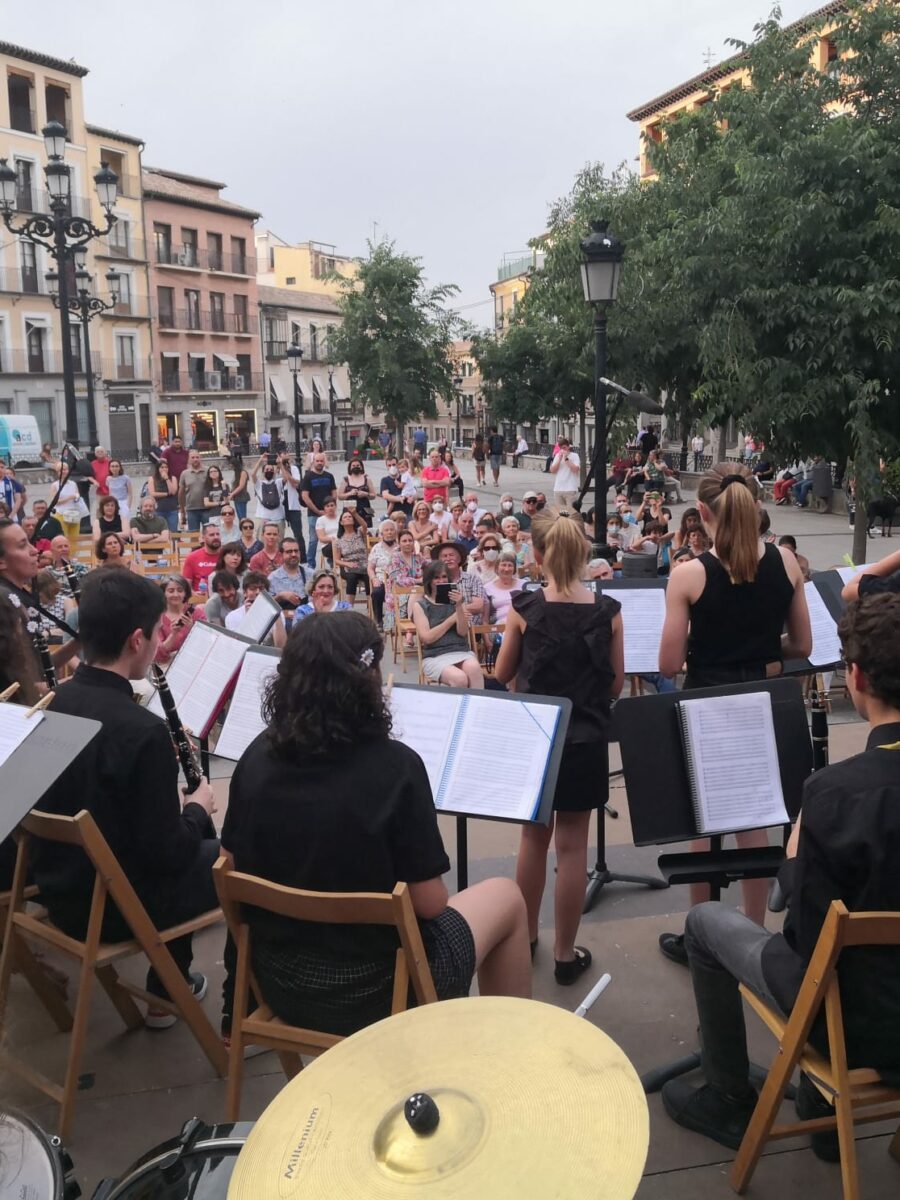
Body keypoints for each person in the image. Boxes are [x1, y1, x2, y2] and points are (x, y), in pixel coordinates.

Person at [662, 592, 900, 1154]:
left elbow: (807, 937)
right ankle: (820, 1108)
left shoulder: (835, 794)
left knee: (704, 922)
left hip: (854, 1027)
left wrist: (794, 855)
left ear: (856, 678)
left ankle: (727, 1096)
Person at [32, 569, 219, 1026]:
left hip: (63, 891)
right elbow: (168, 854)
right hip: (115, 908)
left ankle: (168, 985)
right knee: (233, 857)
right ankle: (174, 993)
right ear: (138, 640)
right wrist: (197, 808)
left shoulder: (58, 702)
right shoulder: (142, 731)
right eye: (156, 634)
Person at [656, 463, 813, 965]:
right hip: (764, 699)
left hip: (708, 700)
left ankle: (700, 939)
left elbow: (668, 663)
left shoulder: (689, 574)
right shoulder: (786, 561)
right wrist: (762, 653)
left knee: (706, 825)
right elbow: (803, 644)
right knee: (755, 819)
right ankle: (754, 939)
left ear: (702, 512)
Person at [496, 507, 624, 982]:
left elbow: (503, 673)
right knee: (573, 849)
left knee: (533, 840)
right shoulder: (609, 612)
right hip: (586, 738)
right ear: (584, 555)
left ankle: (526, 937)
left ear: (537, 555)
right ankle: (566, 956)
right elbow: (615, 685)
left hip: (537, 737)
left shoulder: (524, 608)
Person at [412, 561, 484, 687]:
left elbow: (462, 632)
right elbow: (427, 638)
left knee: (474, 668)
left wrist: (459, 606)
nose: (441, 581)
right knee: (459, 678)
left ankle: (475, 700)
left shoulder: (457, 601)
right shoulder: (420, 605)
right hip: (435, 655)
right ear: (429, 580)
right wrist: (451, 619)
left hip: (460, 650)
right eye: (436, 578)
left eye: (444, 577)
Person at [431, 541, 487, 627]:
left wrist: (457, 611)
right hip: (444, 627)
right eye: (444, 556)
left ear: (459, 558)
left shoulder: (473, 579)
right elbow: (435, 609)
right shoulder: (436, 582)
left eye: (451, 555)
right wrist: (458, 613)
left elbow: (478, 606)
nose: (448, 559)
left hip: (471, 627)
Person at [300, 452, 338, 570]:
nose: (320, 463)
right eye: (317, 461)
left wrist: (331, 508)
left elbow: (334, 493)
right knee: (313, 540)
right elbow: (305, 496)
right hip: (313, 514)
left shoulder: (329, 476)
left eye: (322, 461)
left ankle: (333, 563)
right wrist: (317, 511)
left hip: (329, 513)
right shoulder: (308, 477)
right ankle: (310, 565)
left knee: (333, 536)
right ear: (313, 462)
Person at [155, 575, 203, 665]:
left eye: (180, 590)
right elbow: (158, 655)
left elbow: (206, 643)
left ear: (185, 593)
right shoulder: (157, 617)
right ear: (163, 593)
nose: (176, 594)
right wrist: (173, 634)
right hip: (168, 664)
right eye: (171, 591)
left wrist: (192, 629)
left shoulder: (197, 613)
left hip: (196, 662)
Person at [333, 508, 371, 598]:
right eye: (345, 517)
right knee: (351, 577)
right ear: (341, 522)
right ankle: (349, 605)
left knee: (369, 576)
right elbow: (336, 560)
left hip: (364, 564)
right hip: (348, 566)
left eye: (350, 517)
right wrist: (347, 564)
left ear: (353, 520)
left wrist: (355, 513)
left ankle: (371, 603)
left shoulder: (359, 532)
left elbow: (364, 525)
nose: (348, 518)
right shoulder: (339, 540)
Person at [367, 520, 398, 627]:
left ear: (395, 532)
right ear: (382, 533)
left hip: (398, 580)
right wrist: (374, 579)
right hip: (381, 579)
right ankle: (378, 620)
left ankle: (401, 621)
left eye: (392, 530)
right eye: (386, 530)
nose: (389, 532)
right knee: (377, 593)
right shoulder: (376, 548)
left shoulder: (400, 547)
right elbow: (370, 568)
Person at [49, 464, 88, 543]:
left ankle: (74, 551)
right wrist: (69, 498)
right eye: (61, 470)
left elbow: (77, 495)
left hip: (74, 514)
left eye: (65, 469)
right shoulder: (55, 485)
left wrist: (77, 498)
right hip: (61, 514)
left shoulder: (73, 484)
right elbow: (54, 502)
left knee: (74, 538)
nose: (63, 471)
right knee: (63, 538)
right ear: (57, 472)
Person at [268, 538, 310, 610]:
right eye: (289, 552)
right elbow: (267, 606)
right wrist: (280, 596)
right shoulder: (273, 578)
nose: (293, 554)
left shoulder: (311, 574)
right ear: (281, 554)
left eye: (296, 551)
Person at [181, 525, 222, 595]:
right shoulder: (192, 557)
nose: (216, 537)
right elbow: (186, 585)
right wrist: (194, 594)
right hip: (201, 598)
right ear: (203, 538)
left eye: (217, 534)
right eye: (212, 535)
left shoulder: (227, 555)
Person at [484, 552, 522, 624]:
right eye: (503, 565)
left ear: (514, 568)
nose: (506, 569)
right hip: (499, 625)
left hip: (521, 623)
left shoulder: (524, 584)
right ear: (497, 567)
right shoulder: (487, 588)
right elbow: (485, 617)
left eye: (510, 565)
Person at [250, 453, 285, 531]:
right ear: (263, 472)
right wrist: (260, 460)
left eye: (271, 470)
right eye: (267, 470)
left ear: (274, 472)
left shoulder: (278, 482)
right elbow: (253, 474)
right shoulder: (259, 483)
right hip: (262, 517)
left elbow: (286, 478)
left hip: (278, 517)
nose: (269, 471)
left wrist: (280, 464)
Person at [338, 459, 376, 527]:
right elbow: (339, 496)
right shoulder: (345, 480)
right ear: (350, 467)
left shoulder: (367, 479)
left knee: (367, 528)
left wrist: (366, 494)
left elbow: (373, 495)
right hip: (350, 508)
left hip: (365, 508)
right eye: (353, 465)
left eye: (358, 465)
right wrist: (350, 493)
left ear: (361, 467)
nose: (356, 467)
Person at [177, 449, 208, 533]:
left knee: (209, 534)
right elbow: (181, 493)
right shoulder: (184, 474)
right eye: (193, 457)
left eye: (197, 457)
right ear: (189, 459)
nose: (195, 459)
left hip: (207, 509)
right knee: (193, 535)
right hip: (191, 510)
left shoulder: (208, 471)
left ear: (200, 458)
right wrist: (182, 510)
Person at [149, 459, 180, 532]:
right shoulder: (152, 479)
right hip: (159, 509)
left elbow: (173, 491)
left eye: (166, 467)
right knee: (159, 531)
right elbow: (152, 493)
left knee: (173, 531)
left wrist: (167, 479)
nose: (164, 469)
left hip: (172, 509)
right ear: (158, 469)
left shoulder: (173, 478)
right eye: (162, 467)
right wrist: (166, 494)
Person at [549, 438, 580, 508]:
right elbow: (552, 470)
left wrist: (566, 458)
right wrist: (559, 459)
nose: (562, 450)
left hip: (570, 489)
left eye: (564, 448)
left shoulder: (575, 456)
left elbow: (575, 469)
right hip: (558, 489)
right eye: (561, 448)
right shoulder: (557, 456)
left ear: (568, 446)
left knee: (571, 512)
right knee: (561, 512)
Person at [314, 495, 340, 567]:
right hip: (328, 545)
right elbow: (321, 538)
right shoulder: (321, 520)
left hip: (342, 543)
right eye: (327, 506)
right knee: (336, 545)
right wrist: (333, 539)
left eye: (332, 505)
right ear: (324, 508)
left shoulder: (340, 518)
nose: (330, 508)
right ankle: (335, 566)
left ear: (335, 506)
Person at [228, 453, 251, 521]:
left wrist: (232, 494)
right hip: (236, 497)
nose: (230, 466)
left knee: (242, 517)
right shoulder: (236, 473)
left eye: (231, 465)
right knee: (239, 517)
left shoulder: (243, 472)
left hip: (242, 496)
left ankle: (244, 526)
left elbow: (241, 486)